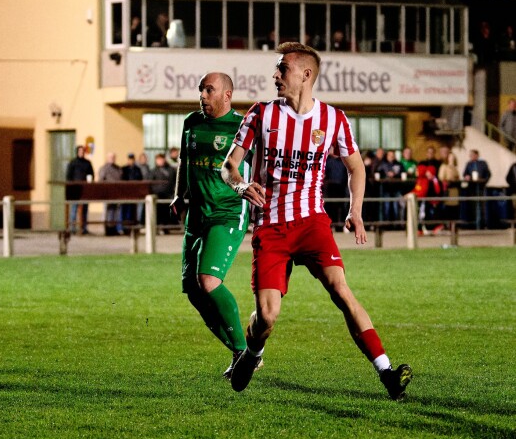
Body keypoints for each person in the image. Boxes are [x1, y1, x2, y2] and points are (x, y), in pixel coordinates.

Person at [221, 41, 412, 400]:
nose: (275, 75)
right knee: (267, 316)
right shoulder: (261, 114)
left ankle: (386, 372)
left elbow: (356, 166)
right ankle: (253, 352)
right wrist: (241, 185)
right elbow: (228, 166)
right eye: (277, 69)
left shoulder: (333, 119)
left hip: (312, 222)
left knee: (341, 290)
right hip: (271, 226)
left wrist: (356, 211)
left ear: (305, 75)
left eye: (283, 69)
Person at [170, 72, 256, 379]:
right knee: (193, 290)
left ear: (227, 95)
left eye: (210, 90)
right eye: (201, 90)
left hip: (227, 213)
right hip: (197, 214)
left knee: (208, 280)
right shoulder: (191, 123)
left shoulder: (242, 127)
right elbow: (184, 161)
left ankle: (246, 354)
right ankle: (239, 351)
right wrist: (179, 194)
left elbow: (261, 166)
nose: (203, 95)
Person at [65, 145, 94, 235]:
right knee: (74, 209)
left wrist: (90, 182)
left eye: (83, 151)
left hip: (85, 190)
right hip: (75, 190)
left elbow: (91, 174)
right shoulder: (73, 163)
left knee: (85, 209)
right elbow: (69, 176)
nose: (81, 153)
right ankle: (72, 228)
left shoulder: (87, 163)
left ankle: (84, 227)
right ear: (77, 152)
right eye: (80, 151)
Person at [462, 149, 492, 228]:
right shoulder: (469, 164)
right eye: (470, 155)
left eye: (472, 155)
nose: (470, 156)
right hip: (472, 188)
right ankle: (474, 224)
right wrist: (466, 177)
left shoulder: (483, 163)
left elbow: (488, 174)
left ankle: (482, 224)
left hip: (481, 187)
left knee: (482, 206)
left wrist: (483, 180)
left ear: (476, 155)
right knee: (473, 206)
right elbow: (465, 174)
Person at [98, 152, 123, 235]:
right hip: (108, 193)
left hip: (117, 193)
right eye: (110, 157)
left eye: (113, 157)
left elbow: (121, 178)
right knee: (109, 211)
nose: (112, 159)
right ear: (107, 158)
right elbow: (101, 180)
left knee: (116, 212)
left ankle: (115, 228)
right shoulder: (104, 168)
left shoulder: (118, 168)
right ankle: (108, 229)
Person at [150, 152, 176, 229]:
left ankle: (166, 227)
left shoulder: (170, 170)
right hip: (158, 195)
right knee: (159, 212)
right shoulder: (153, 171)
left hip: (169, 194)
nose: (160, 161)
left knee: (167, 212)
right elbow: (151, 183)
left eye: (161, 159)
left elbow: (175, 181)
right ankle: (159, 226)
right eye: (158, 160)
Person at [322, 154, 349, 227]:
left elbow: (346, 174)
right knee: (331, 206)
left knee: (341, 206)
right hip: (331, 187)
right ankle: (333, 224)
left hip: (341, 186)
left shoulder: (343, 162)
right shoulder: (328, 161)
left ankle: (340, 225)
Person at [437, 151, 461, 225]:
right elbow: (441, 177)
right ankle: (447, 224)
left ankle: (454, 224)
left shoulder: (455, 168)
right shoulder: (444, 166)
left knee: (455, 208)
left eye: (453, 157)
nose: (451, 159)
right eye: (450, 157)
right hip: (448, 190)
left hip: (455, 190)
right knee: (448, 208)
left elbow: (457, 177)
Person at [120, 152, 142, 226]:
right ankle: (124, 225)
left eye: (132, 159)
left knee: (133, 210)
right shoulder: (124, 169)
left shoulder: (137, 169)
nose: (131, 161)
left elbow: (140, 179)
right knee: (125, 209)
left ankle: (132, 224)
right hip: (125, 192)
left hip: (134, 192)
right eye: (129, 159)